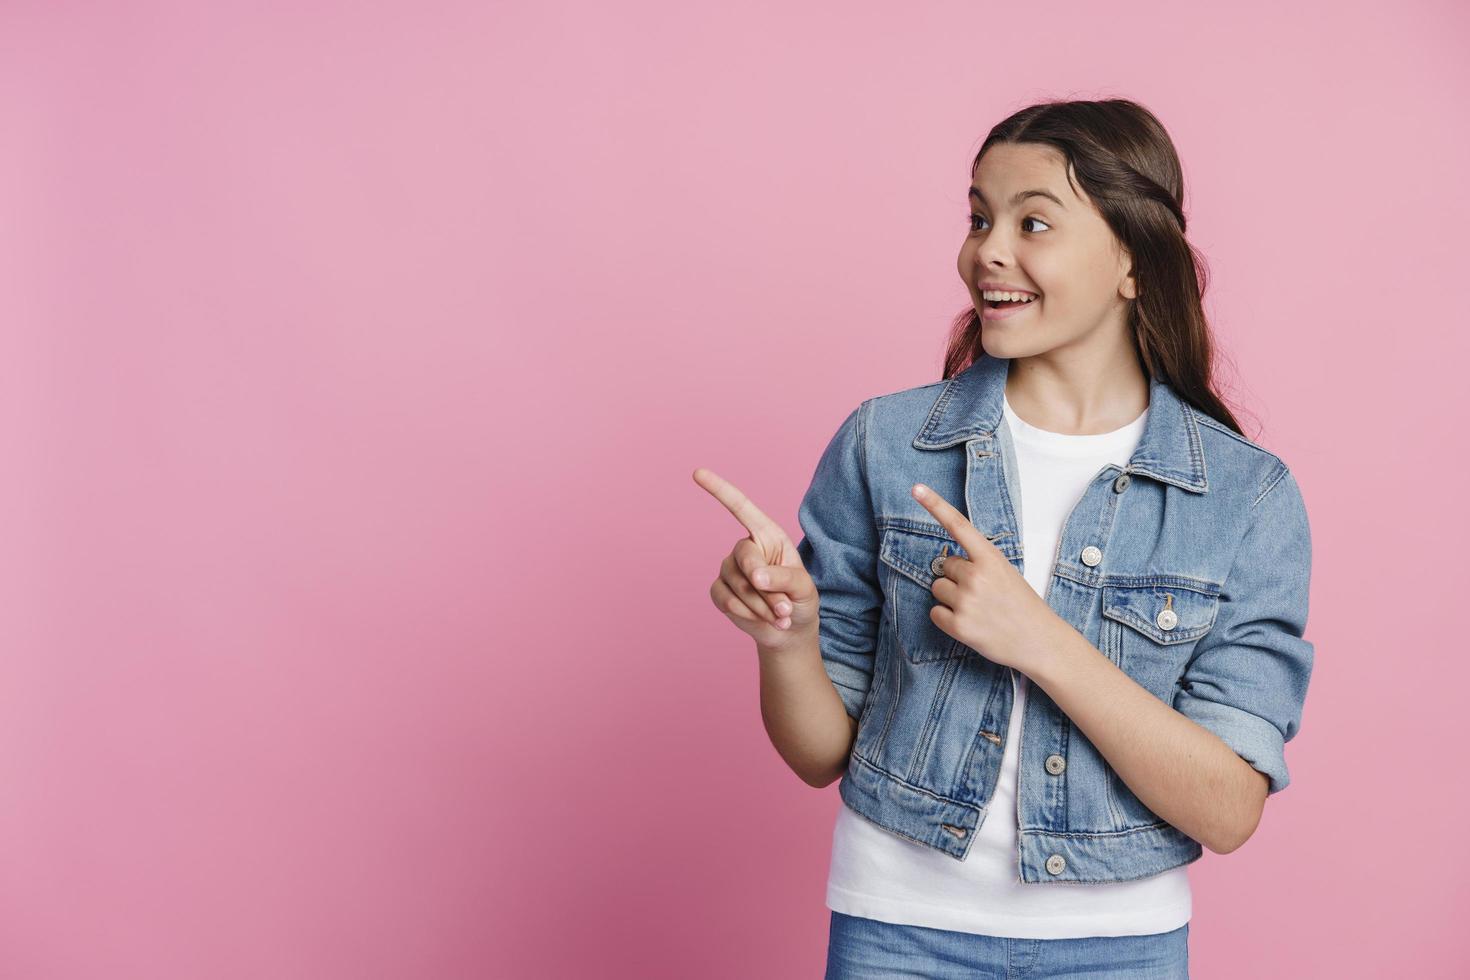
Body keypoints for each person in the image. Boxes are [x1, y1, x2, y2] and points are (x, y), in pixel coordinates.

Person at [692, 98, 1314, 978]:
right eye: (980, 217)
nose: (987, 250)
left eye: (1033, 222)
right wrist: (785, 642)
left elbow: (1228, 810)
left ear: (1134, 260)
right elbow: (820, 754)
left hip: (1119, 949)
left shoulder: (1245, 499)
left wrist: (1041, 642)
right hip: (895, 930)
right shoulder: (886, 445)